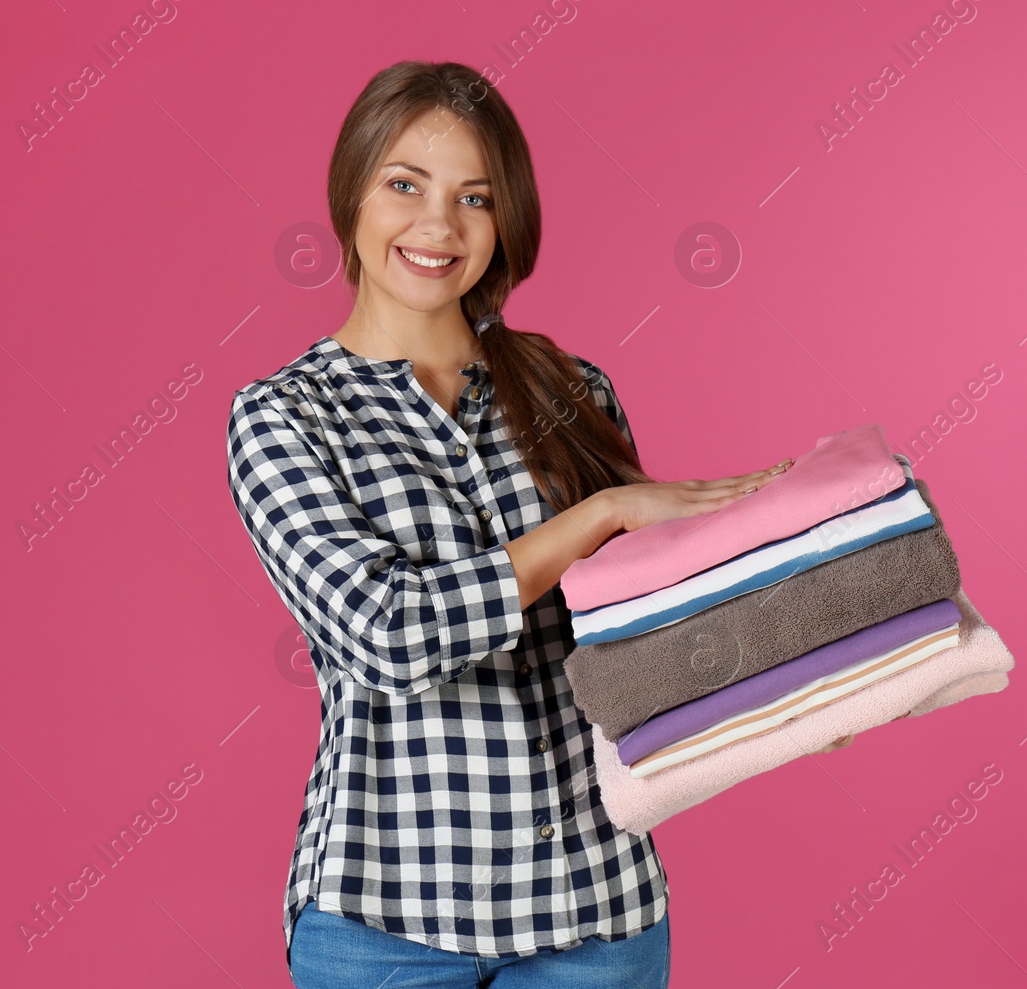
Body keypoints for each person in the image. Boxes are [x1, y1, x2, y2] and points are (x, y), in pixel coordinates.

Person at [226, 60, 793, 988]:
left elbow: (637, 635)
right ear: (350, 195)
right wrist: (600, 514)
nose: (438, 226)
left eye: (475, 198)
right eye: (404, 184)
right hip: (388, 921)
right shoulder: (285, 417)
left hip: (596, 914)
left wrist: (808, 683)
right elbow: (390, 634)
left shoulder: (573, 390)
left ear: (508, 221)